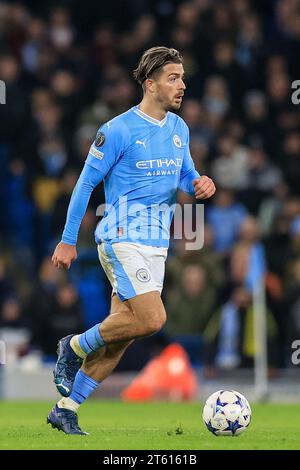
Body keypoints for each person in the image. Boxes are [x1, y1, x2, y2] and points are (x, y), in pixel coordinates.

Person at [47, 46, 216, 435]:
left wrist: (199, 183)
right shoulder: (118, 129)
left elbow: (187, 174)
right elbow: (85, 185)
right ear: (149, 83)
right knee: (153, 319)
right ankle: (72, 346)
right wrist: (68, 241)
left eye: (183, 77)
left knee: (124, 333)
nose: (182, 85)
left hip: (156, 244)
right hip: (121, 236)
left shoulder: (179, 129)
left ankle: (66, 408)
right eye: (173, 77)